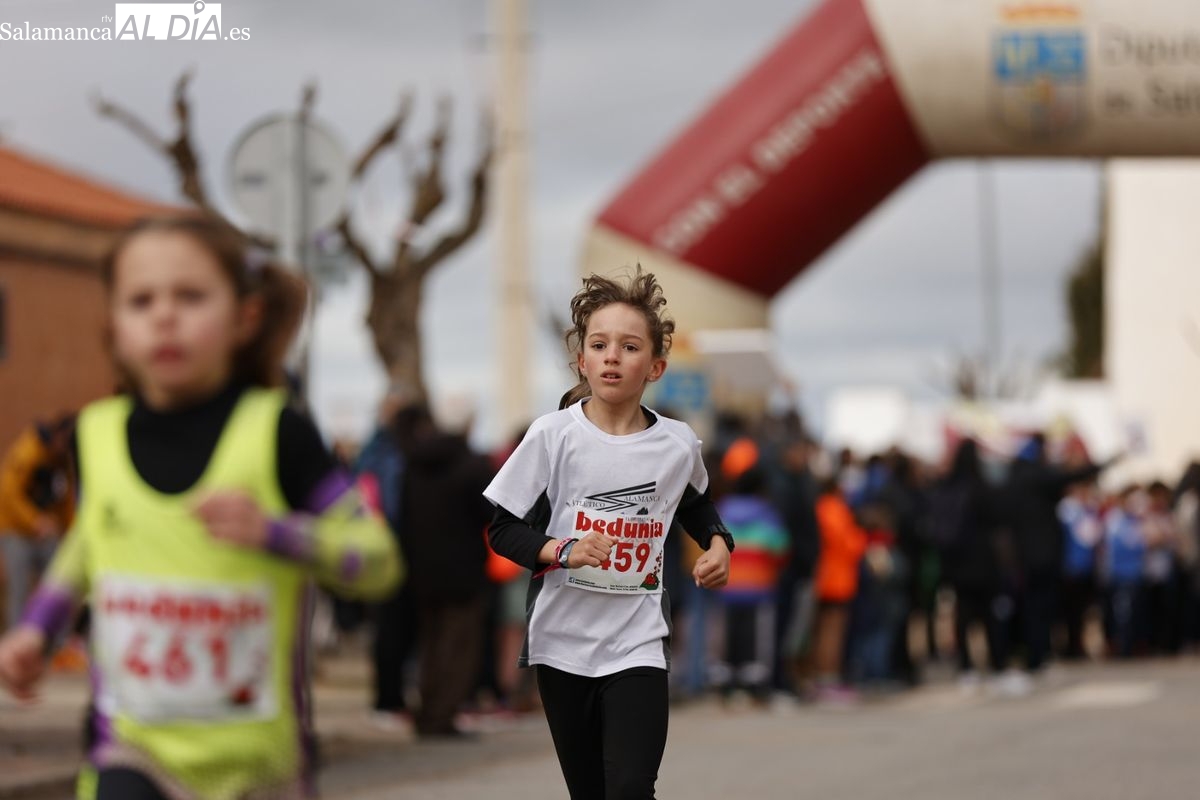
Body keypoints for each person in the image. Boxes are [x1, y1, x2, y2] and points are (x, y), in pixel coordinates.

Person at [0, 216, 401, 800]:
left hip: (259, 768)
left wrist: (279, 534)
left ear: (244, 317)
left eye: (190, 296)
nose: (165, 315)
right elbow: (88, 544)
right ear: (114, 326)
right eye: (141, 301)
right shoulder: (95, 434)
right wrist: (37, 630)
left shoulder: (278, 435)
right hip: (129, 750)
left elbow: (378, 562)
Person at [484, 269, 733, 799]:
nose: (612, 356)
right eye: (599, 345)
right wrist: (563, 550)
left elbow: (696, 505)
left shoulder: (677, 444)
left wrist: (718, 545)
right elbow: (502, 530)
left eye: (629, 346)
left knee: (630, 788)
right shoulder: (552, 436)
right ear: (583, 360)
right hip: (563, 643)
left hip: (638, 642)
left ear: (655, 366)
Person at [0, 414, 76, 631]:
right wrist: (35, 520)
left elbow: (65, 501)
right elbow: (8, 494)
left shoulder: (62, 461)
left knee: (57, 585)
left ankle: (56, 641)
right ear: (58, 435)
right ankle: (15, 637)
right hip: (16, 530)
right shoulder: (29, 451)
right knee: (19, 588)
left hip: (45, 533)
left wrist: (72, 533)